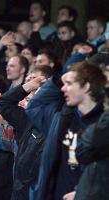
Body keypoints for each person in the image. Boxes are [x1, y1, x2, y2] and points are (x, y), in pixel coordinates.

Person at [27, 61, 106, 200]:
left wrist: (84, 193)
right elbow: (34, 106)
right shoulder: (63, 117)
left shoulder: (103, 127)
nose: (63, 88)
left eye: (69, 83)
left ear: (86, 87)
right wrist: (56, 81)